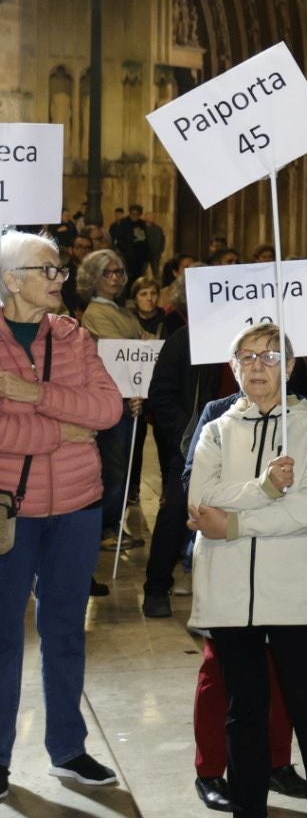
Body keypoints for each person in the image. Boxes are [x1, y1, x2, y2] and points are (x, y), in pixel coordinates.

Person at [186, 323, 307, 818]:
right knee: (244, 713)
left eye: (270, 356)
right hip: (229, 592)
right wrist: (262, 489)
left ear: (291, 365)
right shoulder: (216, 429)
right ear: (232, 365)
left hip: (296, 592)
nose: (258, 366)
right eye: (247, 356)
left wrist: (232, 522)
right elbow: (198, 499)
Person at [0, 231, 124, 797]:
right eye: (46, 270)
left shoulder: (73, 336)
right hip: (11, 509)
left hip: (76, 506)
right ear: (10, 279)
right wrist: (62, 431)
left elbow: (107, 408)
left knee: (65, 631)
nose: (58, 280)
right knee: (4, 636)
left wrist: (30, 396)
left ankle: (68, 749)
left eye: (60, 272)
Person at [76, 248, 144, 549]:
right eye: (107, 272)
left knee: (124, 463)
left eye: (118, 272)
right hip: (113, 398)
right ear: (93, 278)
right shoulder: (97, 312)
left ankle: (113, 524)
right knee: (114, 465)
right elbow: (122, 353)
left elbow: (143, 346)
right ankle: (105, 528)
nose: (115, 278)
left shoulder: (121, 310)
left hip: (129, 395)